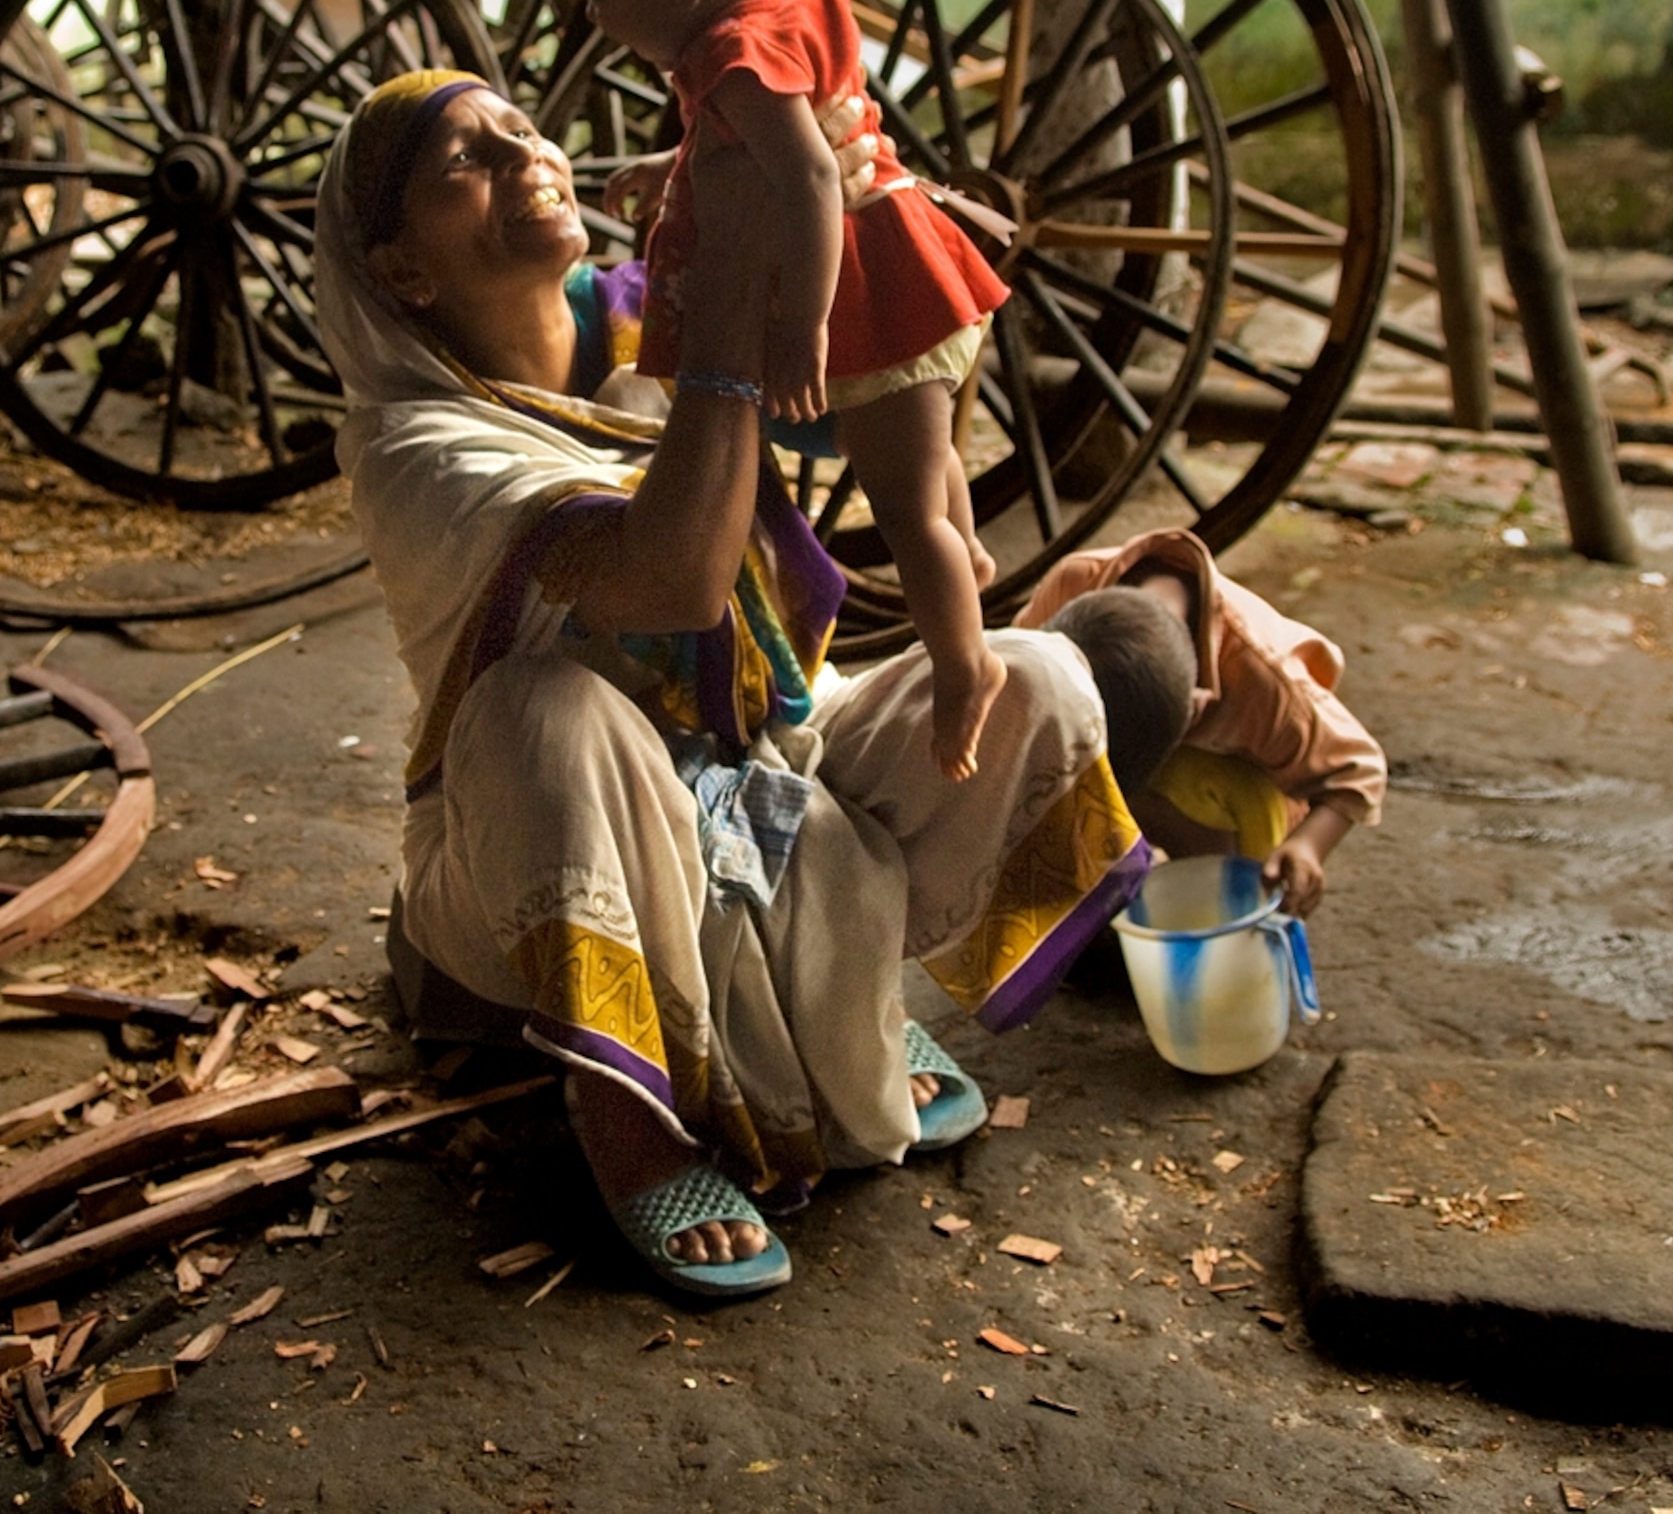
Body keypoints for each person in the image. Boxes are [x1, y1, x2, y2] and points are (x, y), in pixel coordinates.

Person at [322, 67, 1151, 1299]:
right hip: (534, 867)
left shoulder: (645, 310)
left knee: (1034, 675)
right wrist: (718, 327)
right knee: (539, 710)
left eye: (519, 129)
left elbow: (868, 386)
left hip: (759, 768)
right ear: (402, 271)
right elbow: (673, 585)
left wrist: (870, 218)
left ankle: (838, 999)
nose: (520, 152)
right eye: (465, 162)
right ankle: (631, 1122)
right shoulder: (414, 445)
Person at [547, 0, 1015, 782]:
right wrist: (668, 166)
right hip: (903, 256)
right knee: (921, 456)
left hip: (868, 292)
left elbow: (801, 176)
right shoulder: (782, 8)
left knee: (906, 509)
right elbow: (756, 141)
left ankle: (965, 667)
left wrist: (802, 326)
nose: (593, 14)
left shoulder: (725, 55)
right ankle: (965, 566)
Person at [1020, 530, 1386, 917]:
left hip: (1229, 781)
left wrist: (1309, 846)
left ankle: (1209, 899)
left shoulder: (1263, 680)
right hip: (1135, 757)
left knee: (1210, 894)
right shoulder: (1071, 582)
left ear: (1196, 708)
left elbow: (1358, 770)